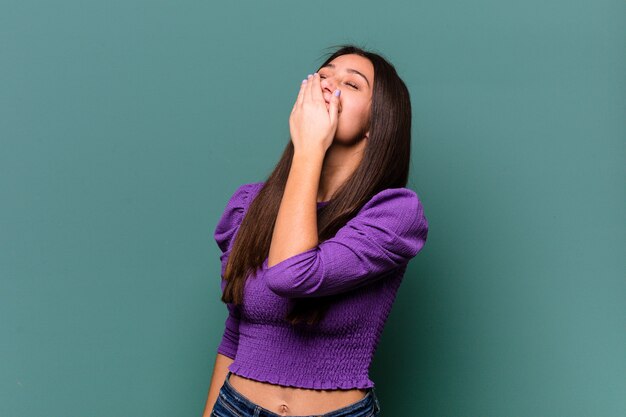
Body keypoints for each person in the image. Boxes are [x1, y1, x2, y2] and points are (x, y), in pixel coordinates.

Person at [202, 44, 429, 417]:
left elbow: (292, 275)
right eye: (323, 76)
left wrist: (309, 149)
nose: (329, 85)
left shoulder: (393, 215)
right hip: (235, 407)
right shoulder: (249, 206)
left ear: (377, 123)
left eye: (351, 85)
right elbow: (235, 332)